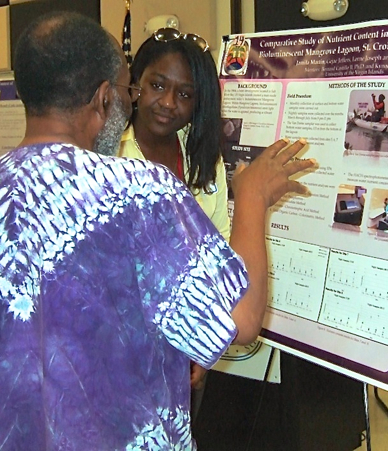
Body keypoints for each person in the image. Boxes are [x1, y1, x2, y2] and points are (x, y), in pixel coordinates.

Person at [0, 12, 316, 451]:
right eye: (130, 90)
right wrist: (253, 198)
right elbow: (240, 321)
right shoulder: (142, 193)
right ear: (104, 98)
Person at [118, 27, 228, 410]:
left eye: (184, 94)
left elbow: (219, 251)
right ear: (134, 86)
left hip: (185, 341)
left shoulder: (204, 159)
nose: (168, 103)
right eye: (156, 85)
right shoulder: (108, 154)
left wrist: (203, 341)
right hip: (116, 344)